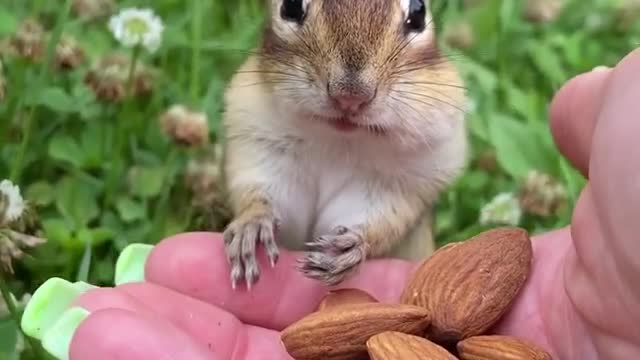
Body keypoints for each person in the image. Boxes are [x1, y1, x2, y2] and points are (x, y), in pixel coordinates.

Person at [27, 48, 640, 360]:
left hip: (398, 288)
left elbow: (407, 190)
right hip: (299, 295)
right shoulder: (260, 97)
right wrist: (255, 209)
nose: (353, 90)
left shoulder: (427, 105)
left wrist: (368, 235)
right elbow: (257, 159)